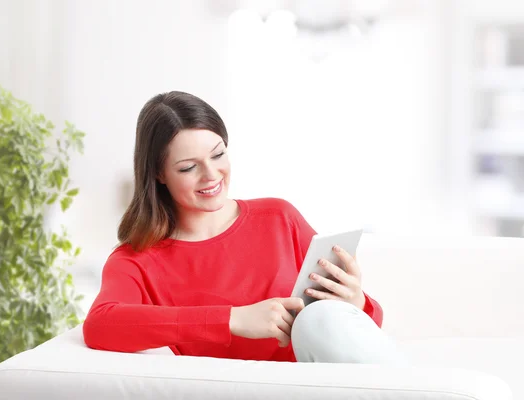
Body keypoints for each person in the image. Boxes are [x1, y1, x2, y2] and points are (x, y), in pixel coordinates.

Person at [83, 91, 405, 364]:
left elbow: (367, 330)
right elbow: (100, 325)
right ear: (158, 174)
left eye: (218, 154)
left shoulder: (280, 218)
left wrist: (356, 303)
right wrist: (232, 319)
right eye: (189, 167)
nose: (211, 175)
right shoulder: (136, 259)